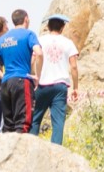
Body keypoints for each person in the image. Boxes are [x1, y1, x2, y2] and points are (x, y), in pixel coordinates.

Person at [0, 9, 42, 134]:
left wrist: (2, 75)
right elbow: (39, 53)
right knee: (23, 123)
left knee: (9, 124)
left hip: (6, 82)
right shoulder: (29, 34)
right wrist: (37, 75)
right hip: (23, 80)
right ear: (26, 19)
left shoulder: (3, 39)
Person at [29, 15, 79, 145]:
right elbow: (73, 66)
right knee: (58, 122)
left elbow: (33, 59)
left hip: (42, 85)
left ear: (47, 27)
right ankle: (56, 150)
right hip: (60, 86)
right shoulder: (68, 43)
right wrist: (76, 88)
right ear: (62, 27)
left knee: (35, 119)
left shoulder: (40, 40)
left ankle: (32, 146)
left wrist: (33, 76)